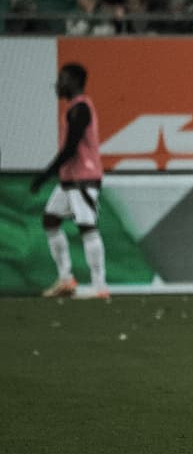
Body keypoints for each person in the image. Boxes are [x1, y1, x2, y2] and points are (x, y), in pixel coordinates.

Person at [30, 63, 108, 300]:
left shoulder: (81, 109)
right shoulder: (73, 109)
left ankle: (99, 286)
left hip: (84, 178)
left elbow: (71, 148)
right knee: (50, 220)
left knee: (87, 226)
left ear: (74, 81)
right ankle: (66, 280)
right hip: (71, 179)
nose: (58, 84)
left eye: (62, 79)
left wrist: (45, 175)